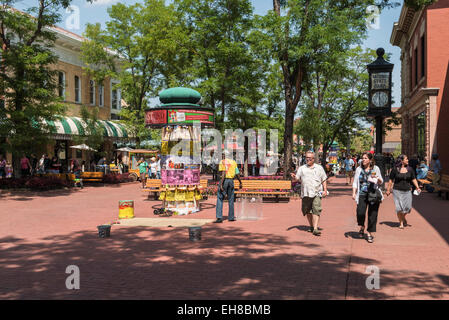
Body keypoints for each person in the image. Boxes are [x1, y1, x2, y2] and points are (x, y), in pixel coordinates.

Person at [290, 151, 328, 236]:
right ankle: (311, 226)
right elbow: (297, 178)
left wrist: (325, 190)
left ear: (313, 159)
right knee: (307, 211)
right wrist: (294, 177)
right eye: (306, 158)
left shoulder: (319, 168)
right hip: (306, 193)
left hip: (317, 192)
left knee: (316, 209)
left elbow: (324, 179)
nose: (308, 159)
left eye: (310, 158)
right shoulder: (302, 168)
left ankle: (315, 228)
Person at [352, 152, 383, 243]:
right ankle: (362, 226)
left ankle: (369, 233)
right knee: (360, 213)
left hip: (373, 194)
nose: (363, 160)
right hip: (362, 194)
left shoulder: (375, 168)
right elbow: (355, 182)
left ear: (370, 160)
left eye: (365, 158)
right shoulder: (359, 169)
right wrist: (354, 193)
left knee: (372, 214)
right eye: (363, 158)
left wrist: (377, 178)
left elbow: (381, 181)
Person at [386, 155, 421, 229]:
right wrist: (388, 189)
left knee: (408, 208)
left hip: (407, 190)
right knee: (399, 208)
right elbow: (391, 180)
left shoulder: (410, 169)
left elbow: (413, 179)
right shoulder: (395, 169)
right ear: (401, 161)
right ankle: (401, 223)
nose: (408, 160)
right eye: (406, 159)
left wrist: (417, 187)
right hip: (397, 190)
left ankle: (403, 218)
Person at [214, 153, 242, 223]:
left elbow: (223, 173)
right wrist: (240, 182)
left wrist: (221, 184)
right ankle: (231, 217)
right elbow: (237, 173)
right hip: (231, 181)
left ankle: (219, 217)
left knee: (220, 198)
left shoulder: (222, 162)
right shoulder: (234, 162)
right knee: (231, 199)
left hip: (224, 181)